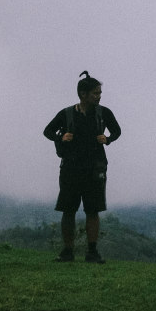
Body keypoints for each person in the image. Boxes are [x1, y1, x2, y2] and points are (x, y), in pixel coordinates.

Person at [43, 71, 121, 263]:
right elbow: (47, 131)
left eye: (99, 93)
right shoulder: (67, 113)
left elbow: (117, 131)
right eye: (95, 93)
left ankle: (91, 252)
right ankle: (68, 252)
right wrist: (60, 137)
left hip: (95, 169)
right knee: (68, 210)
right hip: (71, 168)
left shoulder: (104, 113)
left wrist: (108, 139)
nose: (99, 96)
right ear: (83, 94)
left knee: (92, 211)